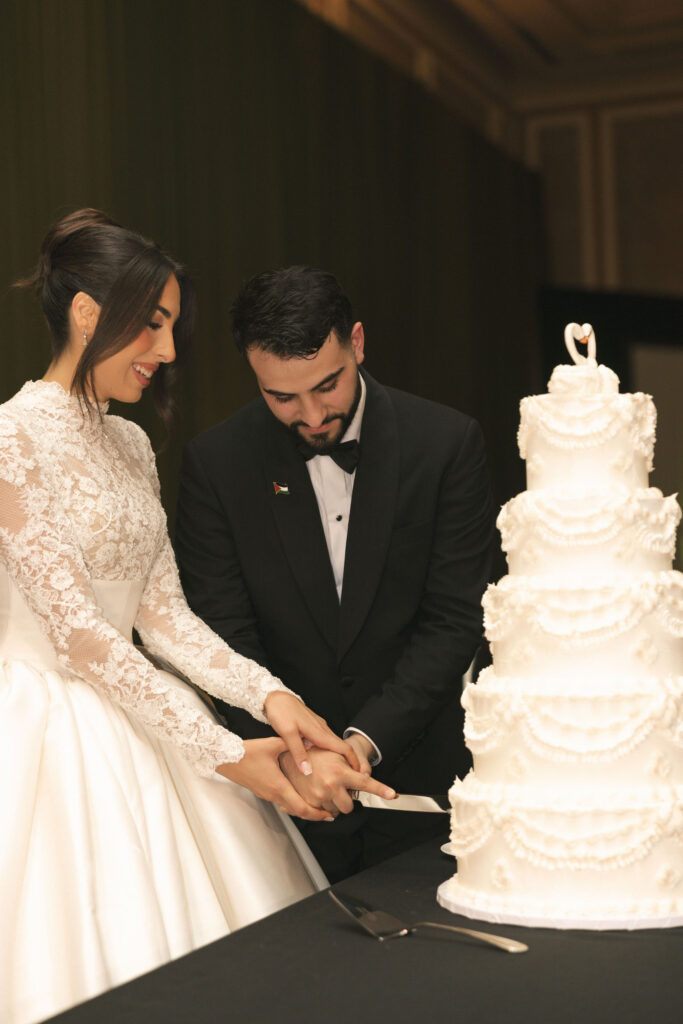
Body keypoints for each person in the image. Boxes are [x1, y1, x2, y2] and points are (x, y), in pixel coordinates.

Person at [0, 213, 394, 1024]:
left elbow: (166, 618)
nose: (169, 350)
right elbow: (79, 638)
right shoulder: (10, 439)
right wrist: (222, 751)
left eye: (171, 325)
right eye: (153, 324)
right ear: (84, 314)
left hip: (145, 716)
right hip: (52, 727)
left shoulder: (134, 446)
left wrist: (274, 701)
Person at [176, 266, 496, 883]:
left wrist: (356, 746)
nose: (313, 414)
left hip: (420, 786)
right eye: (282, 397)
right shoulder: (215, 465)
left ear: (358, 342)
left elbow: (453, 622)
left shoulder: (447, 444)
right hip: (284, 802)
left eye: (328, 385)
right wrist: (302, 757)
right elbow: (223, 634)